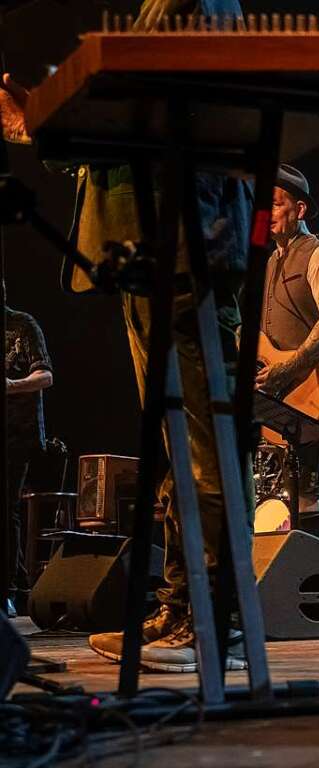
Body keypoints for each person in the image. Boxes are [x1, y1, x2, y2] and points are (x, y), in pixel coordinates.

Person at [0, 0, 254, 672]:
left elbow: (166, 107)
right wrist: (42, 125)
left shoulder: (189, 4)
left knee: (202, 444)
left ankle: (213, 623)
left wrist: (47, 121)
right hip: (145, 241)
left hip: (184, 238)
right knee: (175, 445)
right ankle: (179, 608)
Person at [257, 164, 319, 543]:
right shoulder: (269, 261)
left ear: (300, 209)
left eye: (276, 204)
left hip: (312, 388)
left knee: (311, 489)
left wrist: (289, 368)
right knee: (289, 490)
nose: (268, 213)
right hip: (280, 392)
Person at [4, 306, 53, 616]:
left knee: (6, 507)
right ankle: (18, 582)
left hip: (15, 434)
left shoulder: (22, 324)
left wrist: (11, 386)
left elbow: (45, 375)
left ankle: (7, 591)